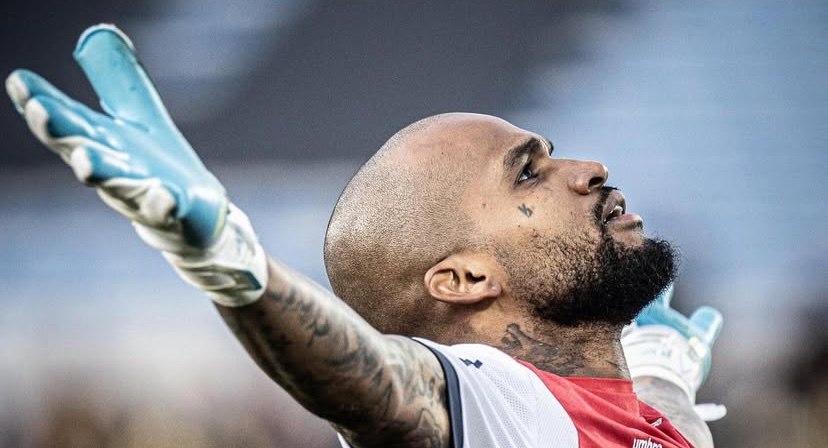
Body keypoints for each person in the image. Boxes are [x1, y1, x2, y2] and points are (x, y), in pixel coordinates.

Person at [6, 24, 725, 448]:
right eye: (529, 174)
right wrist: (229, 261)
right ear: (464, 279)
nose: (590, 169)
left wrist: (661, 373)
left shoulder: (629, 415)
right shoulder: (502, 406)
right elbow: (381, 386)